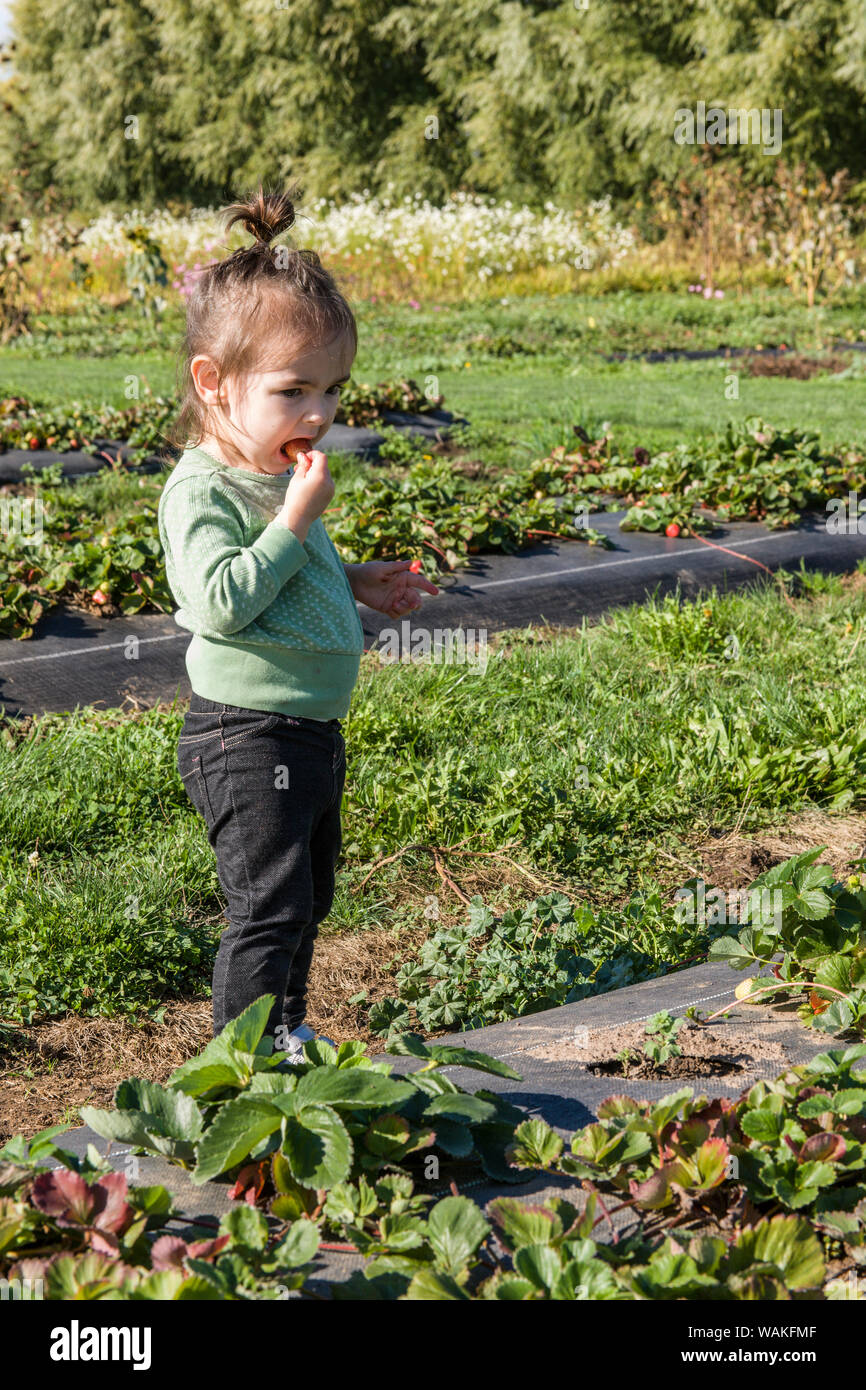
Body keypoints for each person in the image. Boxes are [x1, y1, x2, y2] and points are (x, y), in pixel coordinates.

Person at [157, 184, 438, 1062]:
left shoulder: (273, 479)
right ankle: (240, 1060)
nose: (318, 414)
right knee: (267, 907)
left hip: (308, 729)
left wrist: (356, 580)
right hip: (247, 736)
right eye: (292, 390)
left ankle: (286, 1028)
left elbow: (285, 576)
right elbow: (222, 600)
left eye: (332, 390)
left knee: (308, 896)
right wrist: (296, 521)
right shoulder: (202, 490)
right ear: (215, 383)